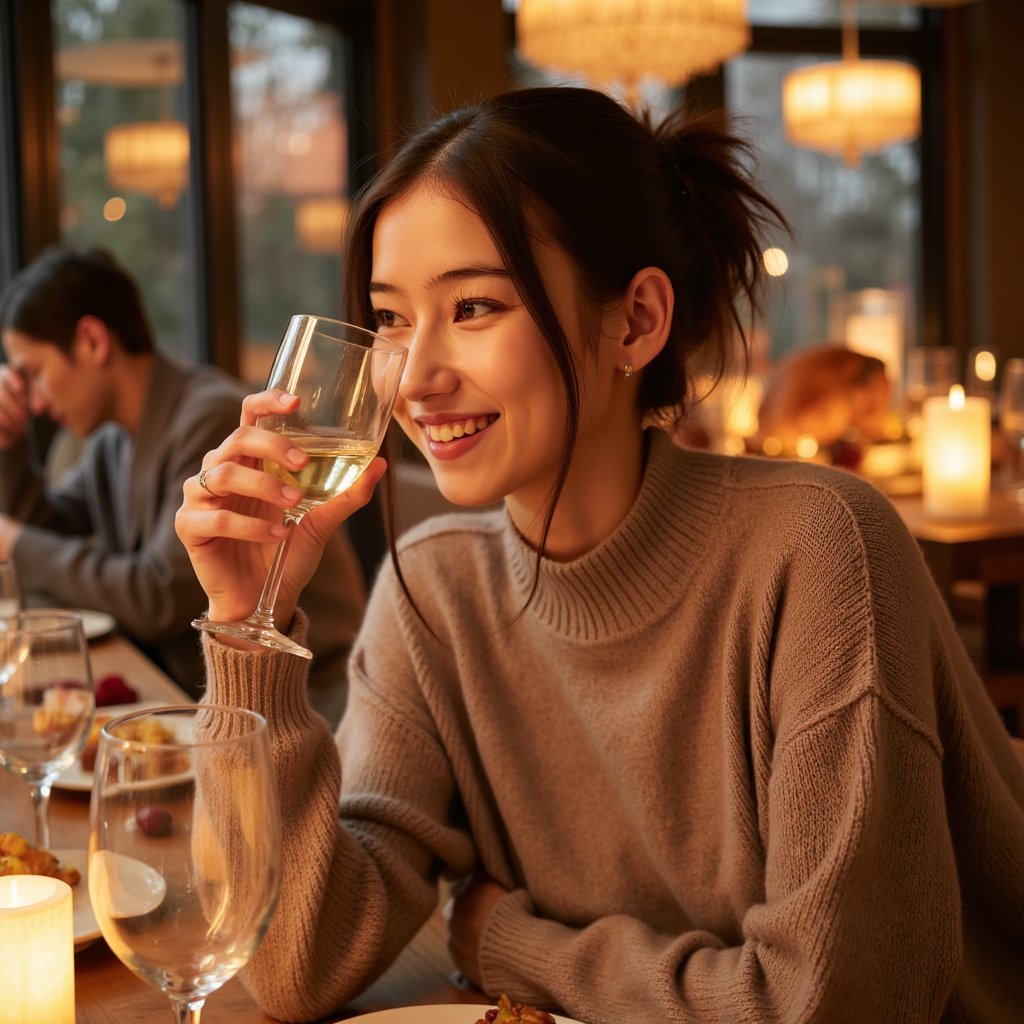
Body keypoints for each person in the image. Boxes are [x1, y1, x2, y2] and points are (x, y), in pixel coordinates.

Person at [175, 86, 1024, 1023]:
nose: (414, 379)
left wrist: (509, 942)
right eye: (392, 320)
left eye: (475, 306)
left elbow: (829, 1004)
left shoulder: (819, 549)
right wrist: (247, 630)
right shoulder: (433, 586)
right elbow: (297, 963)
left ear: (636, 322)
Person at [0, 246, 366, 725]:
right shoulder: (114, 437)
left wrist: (14, 542)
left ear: (92, 341)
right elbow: (56, 526)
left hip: (301, 699)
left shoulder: (210, 418)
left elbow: (158, 598)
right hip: (196, 691)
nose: (37, 401)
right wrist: (9, 446)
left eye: (34, 374)